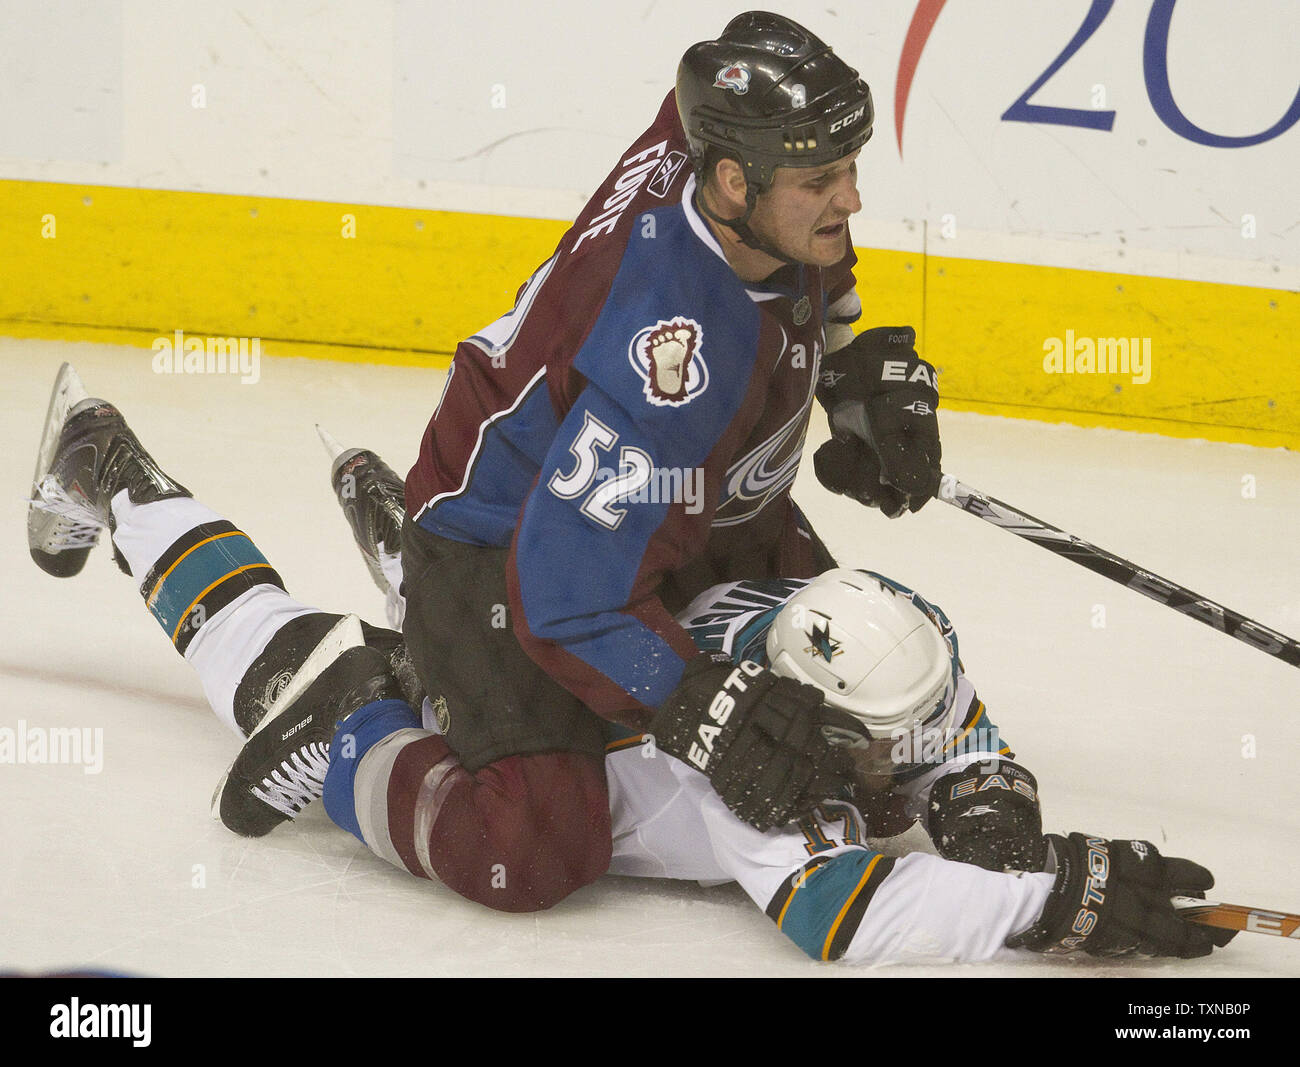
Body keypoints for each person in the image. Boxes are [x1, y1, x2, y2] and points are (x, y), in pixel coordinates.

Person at [25, 365, 1234, 962]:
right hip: (531, 703)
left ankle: (417, 563)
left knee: (529, 607)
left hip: (561, 619)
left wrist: (993, 803)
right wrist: (1044, 898)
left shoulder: (860, 631)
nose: (904, 754)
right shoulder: (768, 756)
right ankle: (115, 474)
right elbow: (848, 915)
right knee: (281, 671)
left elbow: (954, 729)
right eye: (881, 746)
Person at [390, 11, 945, 911]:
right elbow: (566, 597)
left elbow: (749, 38)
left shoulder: (725, 151)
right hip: (499, 541)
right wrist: (698, 704)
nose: (850, 199)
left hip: (680, 504)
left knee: (860, 727)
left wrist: (848, 372)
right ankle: (348, 703)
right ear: (732, 181)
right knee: (535, 841)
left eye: (851, 167)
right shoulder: (672, 355)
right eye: (822, 180)